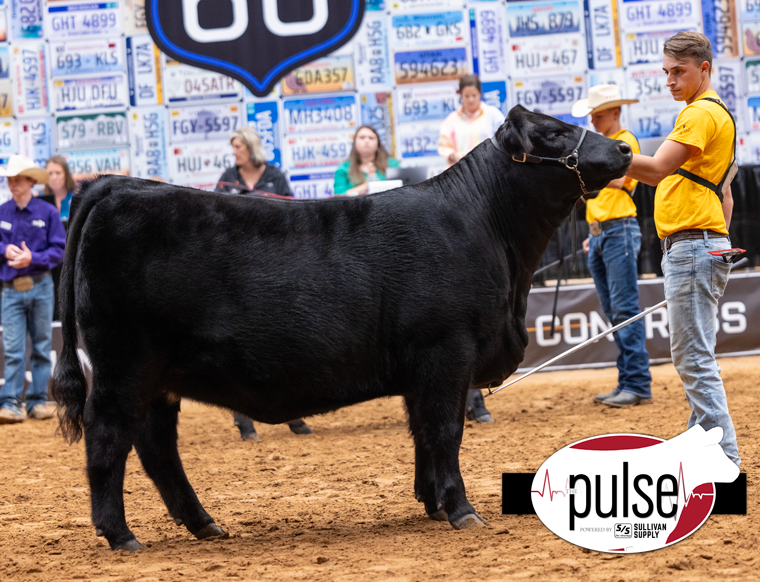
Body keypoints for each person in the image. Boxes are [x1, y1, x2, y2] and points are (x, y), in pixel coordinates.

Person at [625, 32, 740, 466]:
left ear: (704, 69)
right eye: (666, 72)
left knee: (692, 359)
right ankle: (701, 448)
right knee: (698, 354)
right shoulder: (719, 116)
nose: (670, 81)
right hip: (704, 245)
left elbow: (654, 170)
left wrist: (604, 155)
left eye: (679, 71)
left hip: (692, 245)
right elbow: (725, 194)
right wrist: (719, 245)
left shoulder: (699, 115)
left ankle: (723, 463)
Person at [571, 85, 653, 408]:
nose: (593, 119)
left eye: (599, 114)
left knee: (623, 309)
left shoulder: (625, 141)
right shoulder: (608, 144)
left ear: (615, 113)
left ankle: (637, 383)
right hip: (603, 232)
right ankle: (628, 381)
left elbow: (619, 179)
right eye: (593, 114)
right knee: (616, 311)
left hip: (618, 230)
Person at [0, 156, 65, 424]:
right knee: (14, 348)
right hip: (11, 288)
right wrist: (4, 250)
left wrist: (32, 259)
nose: (12, 184)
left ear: (30, 181)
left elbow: (59, 250)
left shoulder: (47, 212)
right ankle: (11, 402)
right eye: (10, 180)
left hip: (40, 285)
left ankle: (36, 400)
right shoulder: (2, 211)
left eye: (17, 180)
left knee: (41, 345)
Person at [438, 74, 505, 167]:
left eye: (474, 95)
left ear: (480, 94)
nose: (471, 99)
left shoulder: (493, 115)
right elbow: (444, 147)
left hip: (488, 172)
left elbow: (504, 140)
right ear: (461, 95)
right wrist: (454, 155)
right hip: (460, 175)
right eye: (467, 96)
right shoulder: (451, 120)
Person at [215, 127, 292, 196]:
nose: (233, 152)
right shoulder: (228, 176)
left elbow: (289, 207)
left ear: (252, 148)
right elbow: (216, 205)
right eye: (233, 147)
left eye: (237, 147)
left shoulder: (275, 176)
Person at [333, 125, 400, 195]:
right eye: (362, 137)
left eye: (371, 138)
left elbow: (401, 190)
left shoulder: (392, 164)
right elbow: (339, 196)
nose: (367, 141)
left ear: (378, 145)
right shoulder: (343, 169)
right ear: (354, 143)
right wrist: (367, 185)